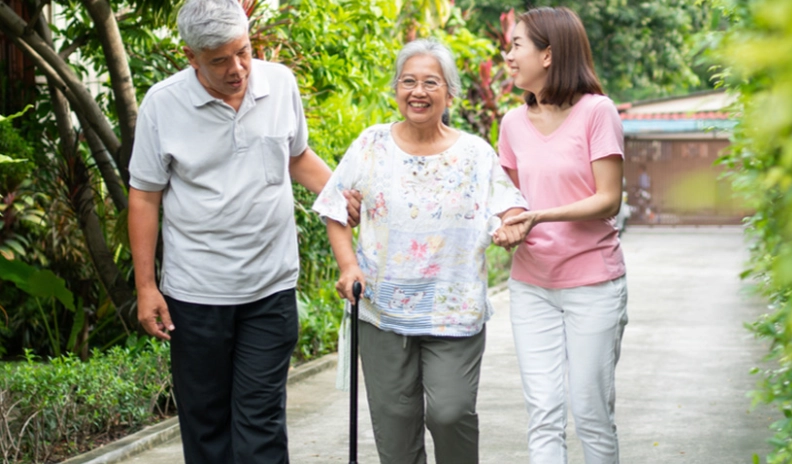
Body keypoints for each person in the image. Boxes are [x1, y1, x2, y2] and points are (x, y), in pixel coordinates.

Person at [127, 1, 358, 462]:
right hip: (196, 294)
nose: (237, 69)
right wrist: (146, 287)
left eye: (243, 52)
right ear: (191, 57)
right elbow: (144, 197)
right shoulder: (163, 104)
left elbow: (296, 156)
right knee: (206, 426)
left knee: (261, 424)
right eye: (220, 60)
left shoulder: (280, 84)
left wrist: (341, 195)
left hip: (270, 287)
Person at [312, 39, 527, 464]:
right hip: (382, 311)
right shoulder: (372, 144)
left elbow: (511, 205)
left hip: (454, 309)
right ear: (396, 89)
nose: (418, 92)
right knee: (394, 425)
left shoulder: (475, 154)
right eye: (408, 81)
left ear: (450, 93)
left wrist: (510, 225)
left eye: (431, 82)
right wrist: (348, 266)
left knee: (451, 412)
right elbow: (335, 206)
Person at [492, 7, 629, 464]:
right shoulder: (512, 123)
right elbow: (511, 198)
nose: (508, 56)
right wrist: (510, 223)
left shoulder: (597, 112)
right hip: (531, 287)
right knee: (544, 414)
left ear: (548, 55)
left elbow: (608, 199)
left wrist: (539, 217)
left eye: (517, 45)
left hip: (593, 285)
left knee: (591, 413)